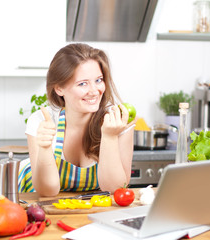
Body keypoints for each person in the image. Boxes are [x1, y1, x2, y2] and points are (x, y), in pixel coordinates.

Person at [18, 43, 136, 197]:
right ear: (59, 88)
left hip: (90, 208)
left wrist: (109, 137)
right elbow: (48, 192)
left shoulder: (118, 120)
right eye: (83, 83)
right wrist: (45, 148)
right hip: (40, 205)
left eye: (99, 80)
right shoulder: (42, 121)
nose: (94, 91)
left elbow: (116, 189)